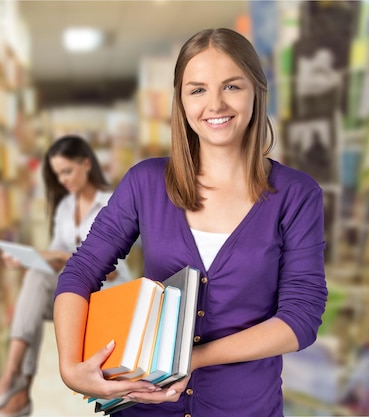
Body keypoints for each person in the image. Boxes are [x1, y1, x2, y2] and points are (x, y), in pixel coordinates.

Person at [53, 28, 328, 417]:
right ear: (181, 101)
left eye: (231, 86)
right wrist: (69, 368)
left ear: (256, 91)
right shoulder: (145, 182)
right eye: (197, 90)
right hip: (144, 405)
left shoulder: (297, 195)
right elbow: (81, 270)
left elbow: (300, 318)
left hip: (245, 409)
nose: (215, 104)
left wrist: (194, 358)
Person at [0, 134, 132, 417]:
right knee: (36, 279)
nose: (62, 179)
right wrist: (29, 259)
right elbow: (56, 260)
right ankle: (15, 378)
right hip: (76, 294)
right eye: (57, 174)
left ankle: (16, 386)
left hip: (108, 293)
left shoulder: (113, 202)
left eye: (67, 171)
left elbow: (109, 269)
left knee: (44, 281)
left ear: (86, 163)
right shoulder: (65, 208)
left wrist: (64, 258)